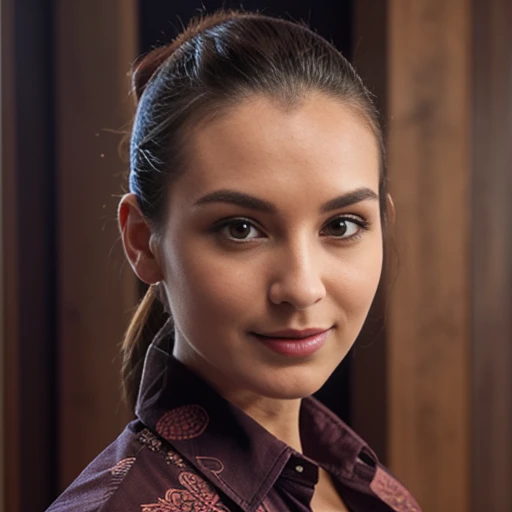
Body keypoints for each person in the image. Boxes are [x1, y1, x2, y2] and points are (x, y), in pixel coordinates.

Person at [47, 9, 421, 512]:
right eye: (240, 229)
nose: (302, 286)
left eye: (341, 225)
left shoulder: (369, 487)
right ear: (142, 240)